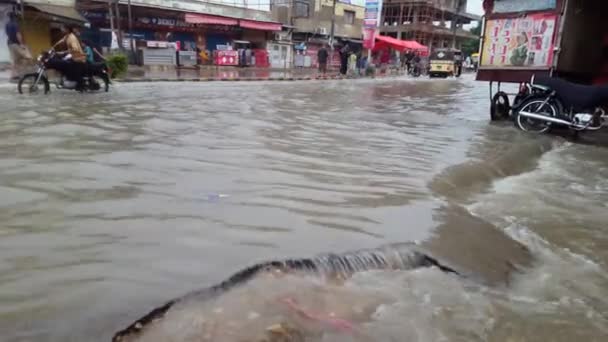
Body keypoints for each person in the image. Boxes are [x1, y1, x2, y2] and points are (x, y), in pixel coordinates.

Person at [55, 25, 87, 89]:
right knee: (63, 62)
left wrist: (63, 52)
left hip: (78, 57)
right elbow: (61, 41)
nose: (61, 30)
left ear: (67, 29)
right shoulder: (67, 36)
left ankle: (76, 83)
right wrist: (52, 47)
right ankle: (65, 79)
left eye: (63, 28)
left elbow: (75, 49)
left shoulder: (71, 38)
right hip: (74, 56)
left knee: (67, 65)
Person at [5, 12, 31, 80]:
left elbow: (7, 33)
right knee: (28, 57)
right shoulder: (15, 24)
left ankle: (13, 75)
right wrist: (21, 44)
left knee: (14, 60)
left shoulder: (7, 24)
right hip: (16, 44)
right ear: (14, 17)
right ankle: (22, 73)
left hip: (10, 43)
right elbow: (18, 34)